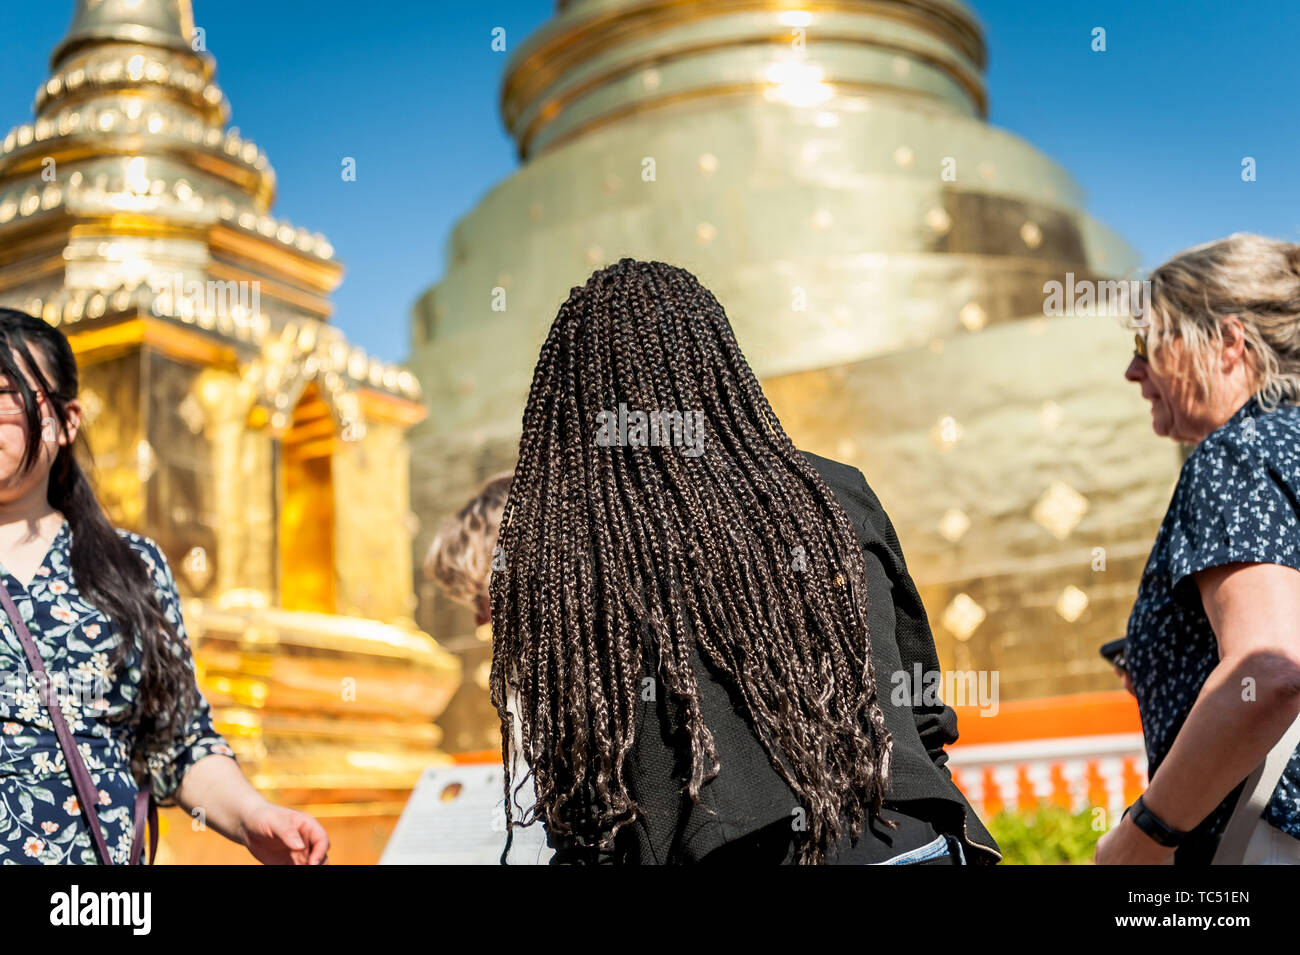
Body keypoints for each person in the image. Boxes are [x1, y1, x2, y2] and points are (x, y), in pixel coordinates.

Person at [489, 258, 1000, 865]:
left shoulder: (575, 554)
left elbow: (589, 796)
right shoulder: (835, 495)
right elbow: (921, 709)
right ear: (718, 365)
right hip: (912, 840)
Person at [0, 307, 329, 865]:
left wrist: (252, 816)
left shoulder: (130, 569)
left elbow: (176, 742)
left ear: (66, 420)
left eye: (5, 393)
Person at [1099, 234, 1300, 865]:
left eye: (1147, 345)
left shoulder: (1234, 454)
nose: (1134, 372)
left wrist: (1144, 835)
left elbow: (1270, 669)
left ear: (1228, 345)